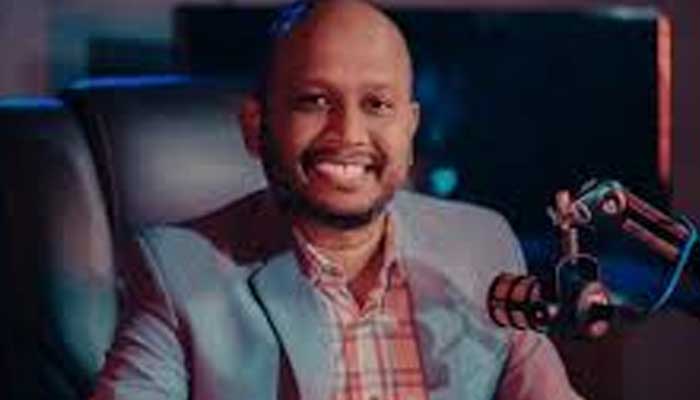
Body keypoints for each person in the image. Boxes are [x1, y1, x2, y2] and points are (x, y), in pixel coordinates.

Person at [92, 0, 582, 399]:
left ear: (409, 128)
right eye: (315, 101)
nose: (348, 133)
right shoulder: (178, 271)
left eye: (377, 104)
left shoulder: (482, 244)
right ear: (255, 127)